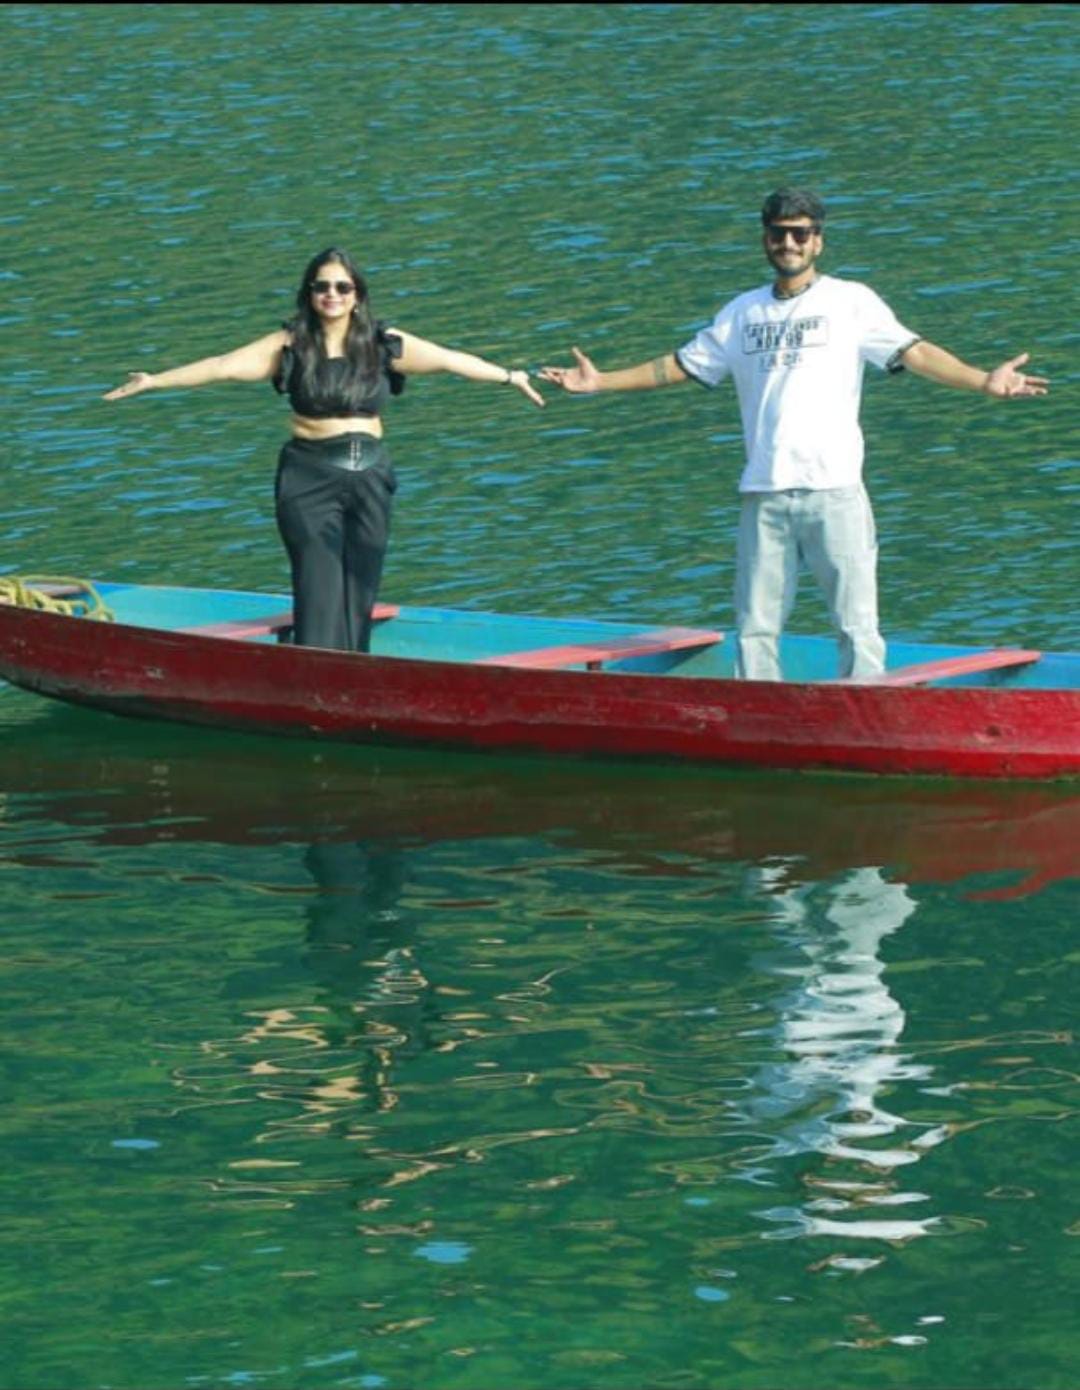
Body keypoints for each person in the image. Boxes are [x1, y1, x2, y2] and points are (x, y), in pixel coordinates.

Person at [540, 189, 1048, 680]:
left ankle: (864, 710)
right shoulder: (742, 314)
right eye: (779, 233)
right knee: (756, 629)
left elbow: (915, 353)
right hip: (764, 493)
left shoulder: (851, 302)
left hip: (835, 491)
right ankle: (759, 719)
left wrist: (983, 380)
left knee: (856, 626)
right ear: (765, 240)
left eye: (800, 234)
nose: (789, 244)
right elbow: (677, 365)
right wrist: (600, 382)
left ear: (818, 241)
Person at [104, 246, 543, 652]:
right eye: (322, 286)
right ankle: (312, 671)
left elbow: (451, 359)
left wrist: (509, 376)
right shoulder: (290, 345)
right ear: (309, 293)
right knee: (318, 582)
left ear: (357, 295)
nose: (331, 294)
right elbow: (221, 366)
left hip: (369, 475)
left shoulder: (383, 344)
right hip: (309, 476)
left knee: (361, 581)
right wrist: (155, 380)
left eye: (342, 287)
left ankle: (353, 672)